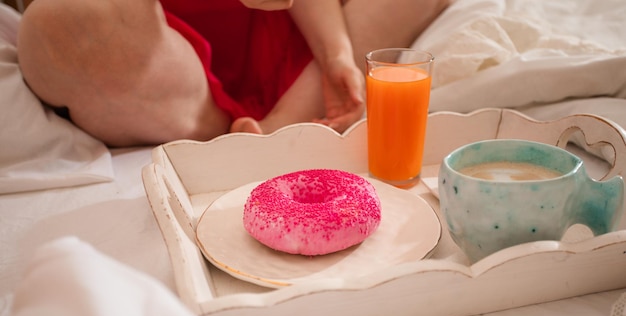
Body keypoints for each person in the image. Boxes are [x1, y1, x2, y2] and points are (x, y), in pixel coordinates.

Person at [16, 0, 450, 147]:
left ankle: (278, 126)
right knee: (61, 22)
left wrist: (336, 54)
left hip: (293, 53)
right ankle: (217, 129)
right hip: (165, 58)